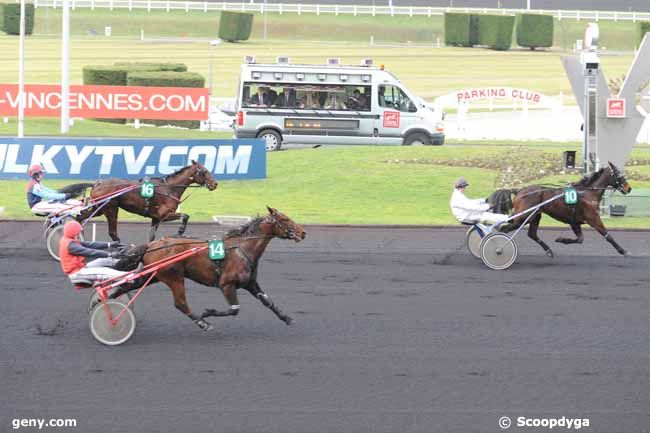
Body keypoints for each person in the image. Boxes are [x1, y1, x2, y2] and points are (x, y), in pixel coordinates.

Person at [59, 220, 128, 285]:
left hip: (81, 268)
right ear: (74, 232)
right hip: (77, 273)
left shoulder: (69, 240)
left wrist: (110, 244)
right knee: (105, 271)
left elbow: (91, 244)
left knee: (103, 260)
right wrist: (109, 254)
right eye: (78, 232)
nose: (79, 234)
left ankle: (126, 263)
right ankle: (131, 277)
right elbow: (90, 252)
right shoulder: (70, 245)